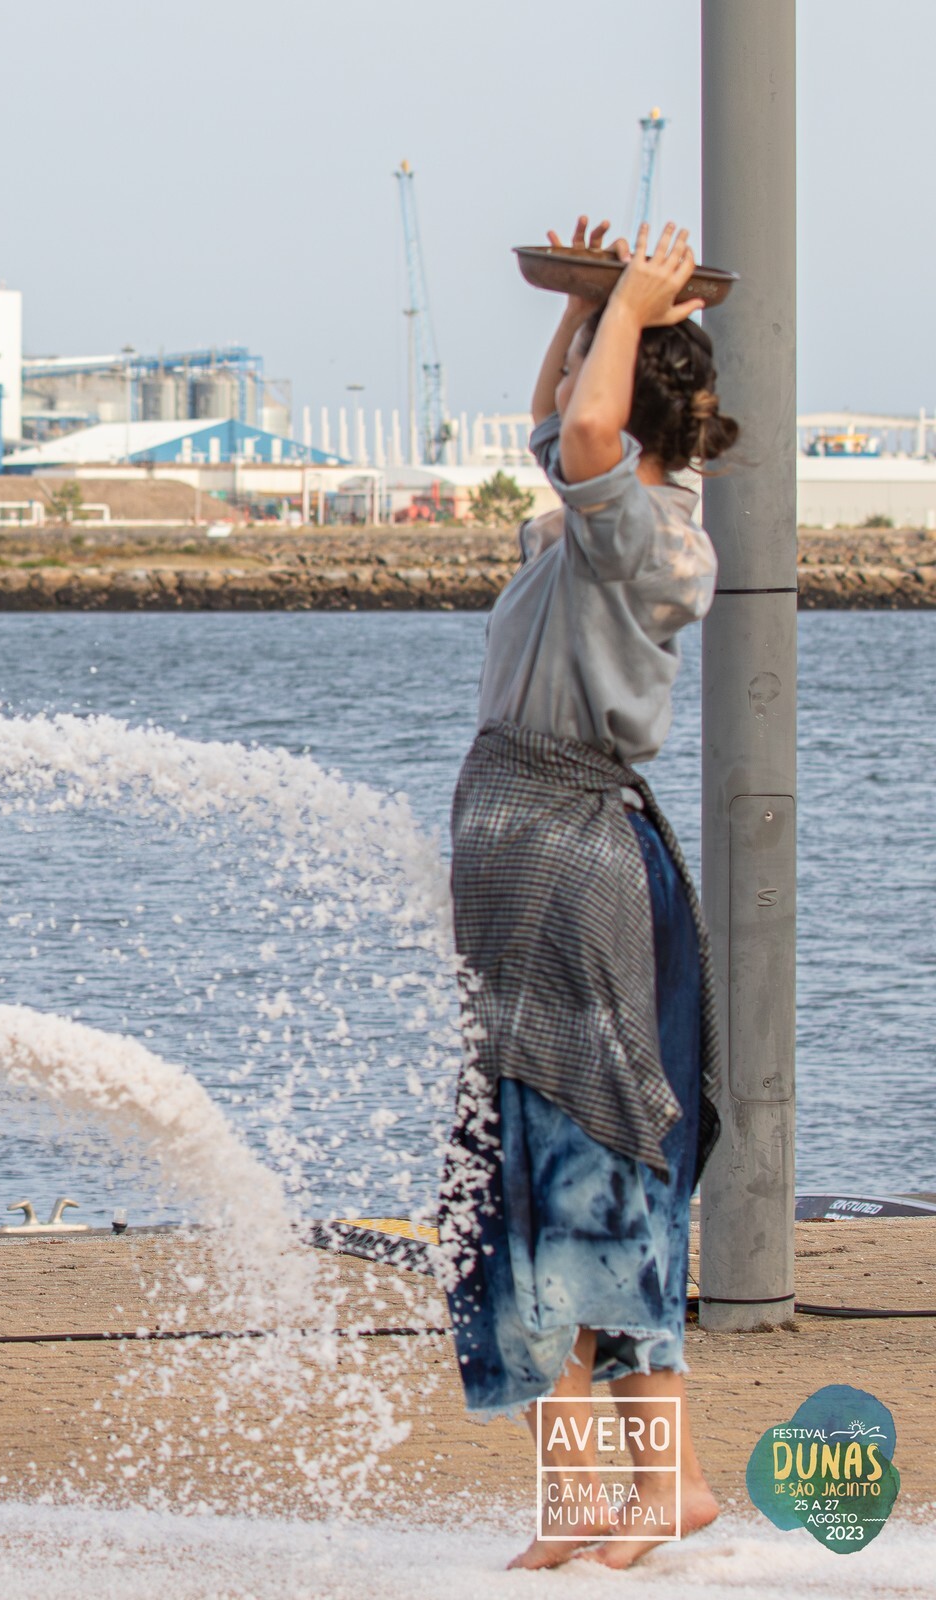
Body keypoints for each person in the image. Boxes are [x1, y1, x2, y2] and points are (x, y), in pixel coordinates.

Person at [438, 217, 743, 1570]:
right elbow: (558, 428)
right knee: (525, 1177)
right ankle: (583, 1494)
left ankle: (664, 1482)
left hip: (574, 862)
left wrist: (626, 302)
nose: (571, 411)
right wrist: (583, 303)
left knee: (594, 1166)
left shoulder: (658, 546)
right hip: (519, 863)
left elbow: (580, 439)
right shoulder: (584, 528)